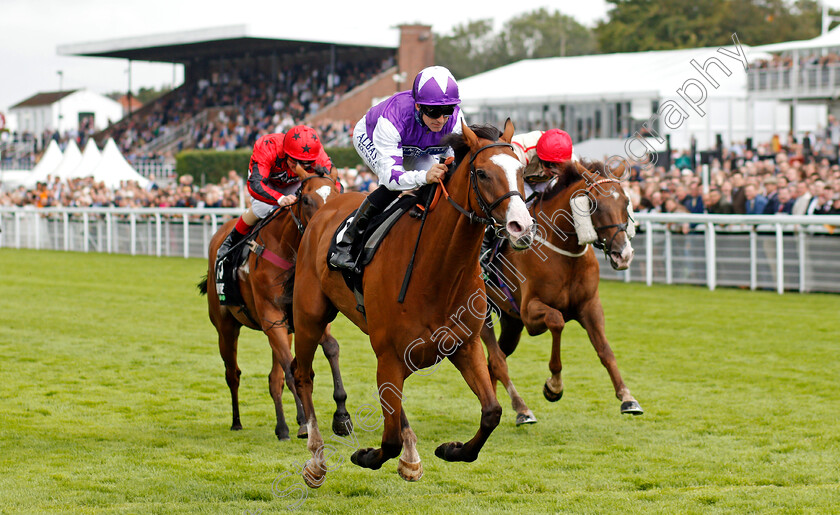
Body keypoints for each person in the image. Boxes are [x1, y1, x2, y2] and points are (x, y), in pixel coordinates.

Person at [328, 65, 465, 271]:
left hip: (419, 147)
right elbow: (391, 178)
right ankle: (345, 242)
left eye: (447, 111)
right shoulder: (392, 118)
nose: (440, 119)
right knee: (393, 187)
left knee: (442, 180)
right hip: (371, 136)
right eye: (434, 111)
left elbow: (456, 164)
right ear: (418, 106)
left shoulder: (455, 121)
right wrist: (424, 176)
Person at [215, 125, 333, 280]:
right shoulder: (267, 146)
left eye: (307, 162)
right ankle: (231, 242)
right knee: (262, 208)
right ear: (286, 152)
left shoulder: (319, 155)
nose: (301, 166)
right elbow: (255, 185)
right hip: (267, 180)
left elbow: (333, 184)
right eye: (296, 160)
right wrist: (279, 198)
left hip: (295, 183)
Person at [480, 128, 575, 264]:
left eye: (559, 166)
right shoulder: (518, 151)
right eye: (549, 164)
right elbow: (510, 181)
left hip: (540, 180)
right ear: (539, 154)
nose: (552, 170)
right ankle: (486, 245)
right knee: (521, 207)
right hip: (520, 178)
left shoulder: (570, 156)